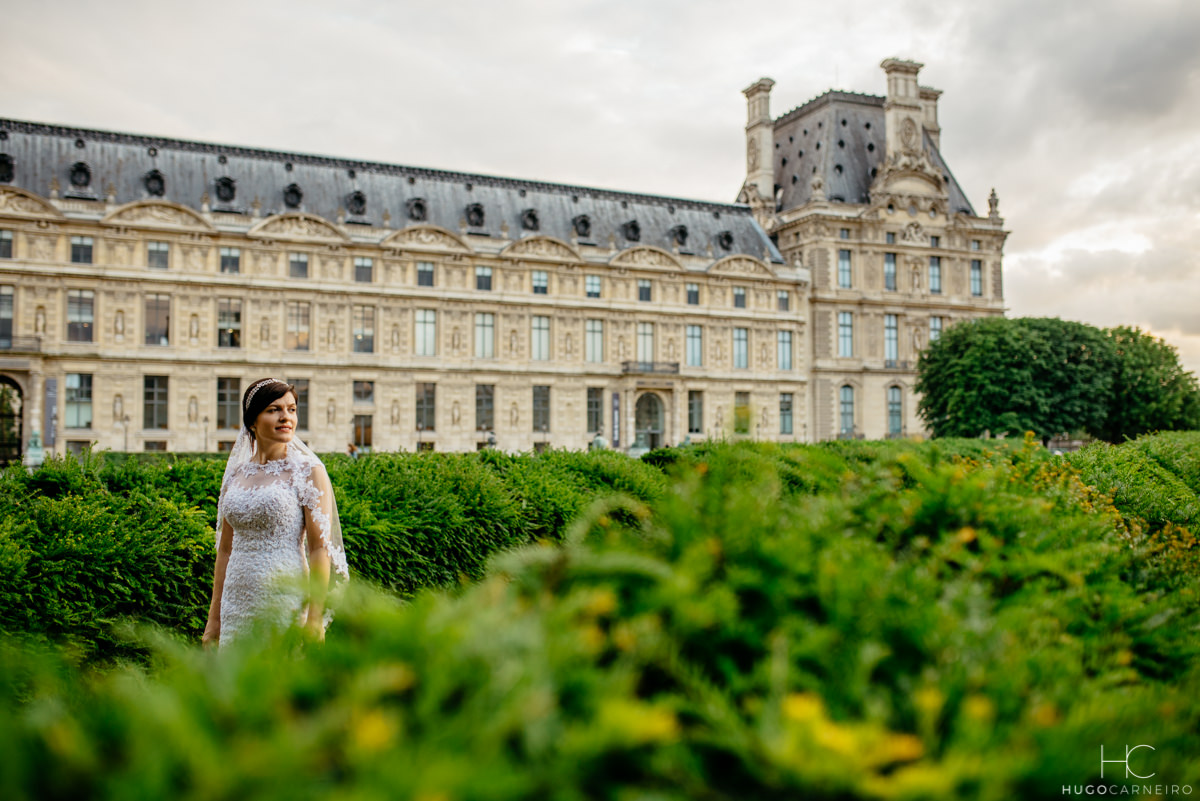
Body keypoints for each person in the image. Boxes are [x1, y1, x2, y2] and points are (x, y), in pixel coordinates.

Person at [203, 378, 349, 648]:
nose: (286, 418)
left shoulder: (308, 471)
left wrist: (314, 619)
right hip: (235, 602)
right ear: (252, 421)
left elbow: (319, 549)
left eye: (291, 409)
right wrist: (214, 620)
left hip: (284, 599)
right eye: (274, 410)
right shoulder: (236, 473)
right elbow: (224, 551)